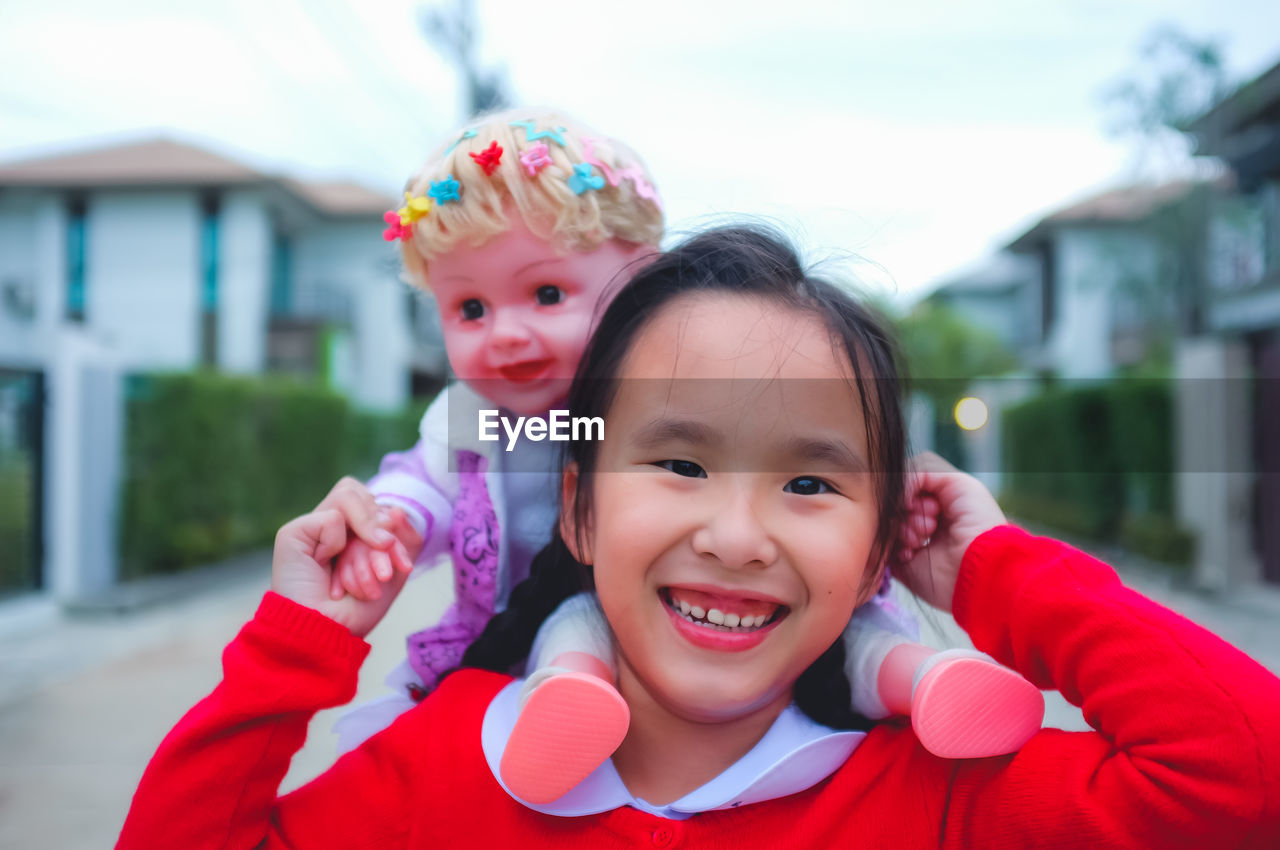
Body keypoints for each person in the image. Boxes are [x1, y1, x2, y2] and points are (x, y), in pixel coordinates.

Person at [118, 226, 1280, 848]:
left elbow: (1244, 772)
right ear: (578, 505)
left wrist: (987, 565)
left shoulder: (949, 797)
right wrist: (288, 654)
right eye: (676, 462)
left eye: (810, 483)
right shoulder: (447, 764)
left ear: (878, 551)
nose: (734, 535)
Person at [331, 109, 1040, 803]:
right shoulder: (481, 425)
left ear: (639, 279)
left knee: (852, 635)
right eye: (470, 310)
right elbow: (426, 482)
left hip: (740, 628)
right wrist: (389, 522)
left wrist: (957, 545)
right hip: (568, 623)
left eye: (547, 294)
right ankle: (567, 704)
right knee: (571, 633)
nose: (507, 334)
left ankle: (933, 683)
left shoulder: (681, 389)